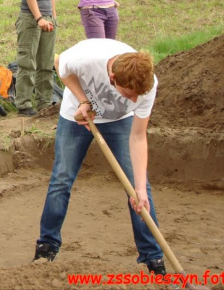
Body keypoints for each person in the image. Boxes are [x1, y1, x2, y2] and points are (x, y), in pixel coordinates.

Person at [34, 39, 167, 277]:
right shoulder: (86, 58)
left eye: (139, 96)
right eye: (130, 95)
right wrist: (83, 100)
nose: (135, 101)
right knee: (61, 179)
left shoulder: (148, 84)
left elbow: (138, 137)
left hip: (119, 122)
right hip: (76, 116)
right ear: (113, 78)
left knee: (139, 190)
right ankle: (46, 246)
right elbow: (59, 64)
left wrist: (139, 188)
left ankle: (153, 258)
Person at [14, 0, 57, 117]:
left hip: (48, 18)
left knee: (46, 63)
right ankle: (23, 103)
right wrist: (39, 18)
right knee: (27, 62)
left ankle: (44, 102)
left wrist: (53, 16)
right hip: (31, 19)